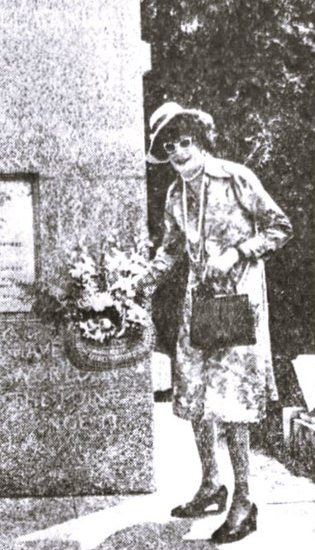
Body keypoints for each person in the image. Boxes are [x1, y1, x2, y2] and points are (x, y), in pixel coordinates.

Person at [142, 101, 292, 544]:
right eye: (169, 146)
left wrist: (238, 251)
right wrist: (137, 283)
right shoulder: (174, 195)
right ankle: (212, 484)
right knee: (194, 398)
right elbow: (170, 251)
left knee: (232, 405)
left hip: (238, 305)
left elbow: (280, 227)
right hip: (198, 304)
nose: (178, 152)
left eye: (184, 141)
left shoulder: (236, 177)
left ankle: (245, 502)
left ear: (200, 140)